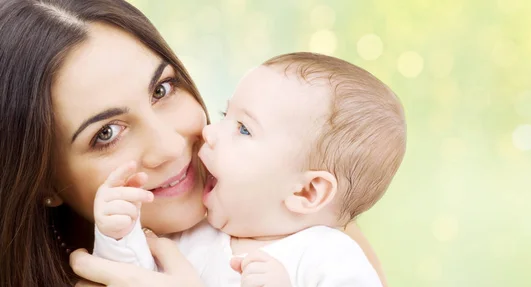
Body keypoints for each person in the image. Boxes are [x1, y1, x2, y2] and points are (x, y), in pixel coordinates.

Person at [0, 1, 387, 286]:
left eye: (162, 89)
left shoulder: (315, 233)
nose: (170, 146)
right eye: (106, 133)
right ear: (43, 181)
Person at [92, 52, 406, 286]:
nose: (210, 132)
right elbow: (130, 279)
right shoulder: (191, 236)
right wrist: (119, 236)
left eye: (243, 129)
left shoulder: (329, 257)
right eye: (224, 114)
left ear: (306, 191)